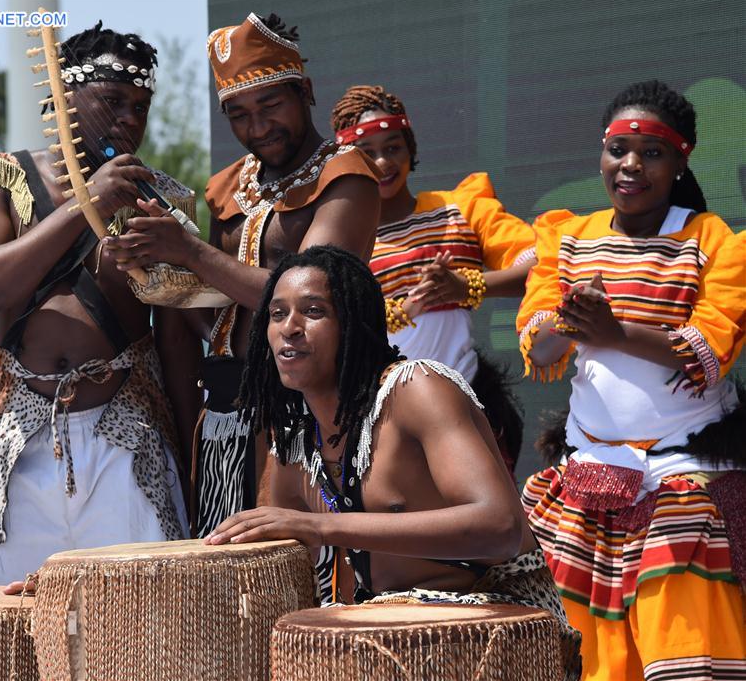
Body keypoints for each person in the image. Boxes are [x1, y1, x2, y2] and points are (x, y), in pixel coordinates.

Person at [207, 245, 581, 680]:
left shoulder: (417, 388)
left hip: (497, 630)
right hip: (388, 641)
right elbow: (281, 562)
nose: (290, 328)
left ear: (354, 325)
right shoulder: (293, 441)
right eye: (276, 314)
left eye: (313, 311)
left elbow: (500, 528)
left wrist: (319, 526)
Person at [105, 13, 381, 537]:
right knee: (228, 591)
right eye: (237, 114)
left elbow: (307, 298)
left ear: (305, 90)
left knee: (303, 578)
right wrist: (157, 271)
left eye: (270, 105)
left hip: (310, 410)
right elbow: (217, 305)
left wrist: (186, 249)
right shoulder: (228, 185)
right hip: (226, 416)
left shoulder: (346, 176)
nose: (256, 128)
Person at [0, 22, 193, 586]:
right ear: (64, 95)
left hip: (127, 439)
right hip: (19, 438)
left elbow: (178, 344)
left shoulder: (164, 198)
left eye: (141, 106)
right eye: (113, 101)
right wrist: (88, 204)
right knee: (14, 629)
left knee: (139, 629)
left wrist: (192, 463)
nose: (130, 119)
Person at [518, 80, 746, 680]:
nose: (631, 166)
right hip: (593, 468)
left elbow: (709, 348)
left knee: (681, 640)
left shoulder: (710, 241)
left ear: (681, 159)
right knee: (583, 650)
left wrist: (616, 333)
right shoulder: (568, 238)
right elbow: (538, 341)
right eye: (619, 149)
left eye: (652, 153)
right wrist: (572, 321)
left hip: (683, 474)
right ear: (601, 152)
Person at [329, 85, 534, 474]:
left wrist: (468, 287)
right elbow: (333, 326)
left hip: (467, 399)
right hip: (380, 414)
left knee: (484, 521)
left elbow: (536, 262)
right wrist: (401, 311)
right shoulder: (343, 237)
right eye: (367, 153)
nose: (383, 162)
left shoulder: (459, 207)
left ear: (411, 147)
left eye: (393, 146)